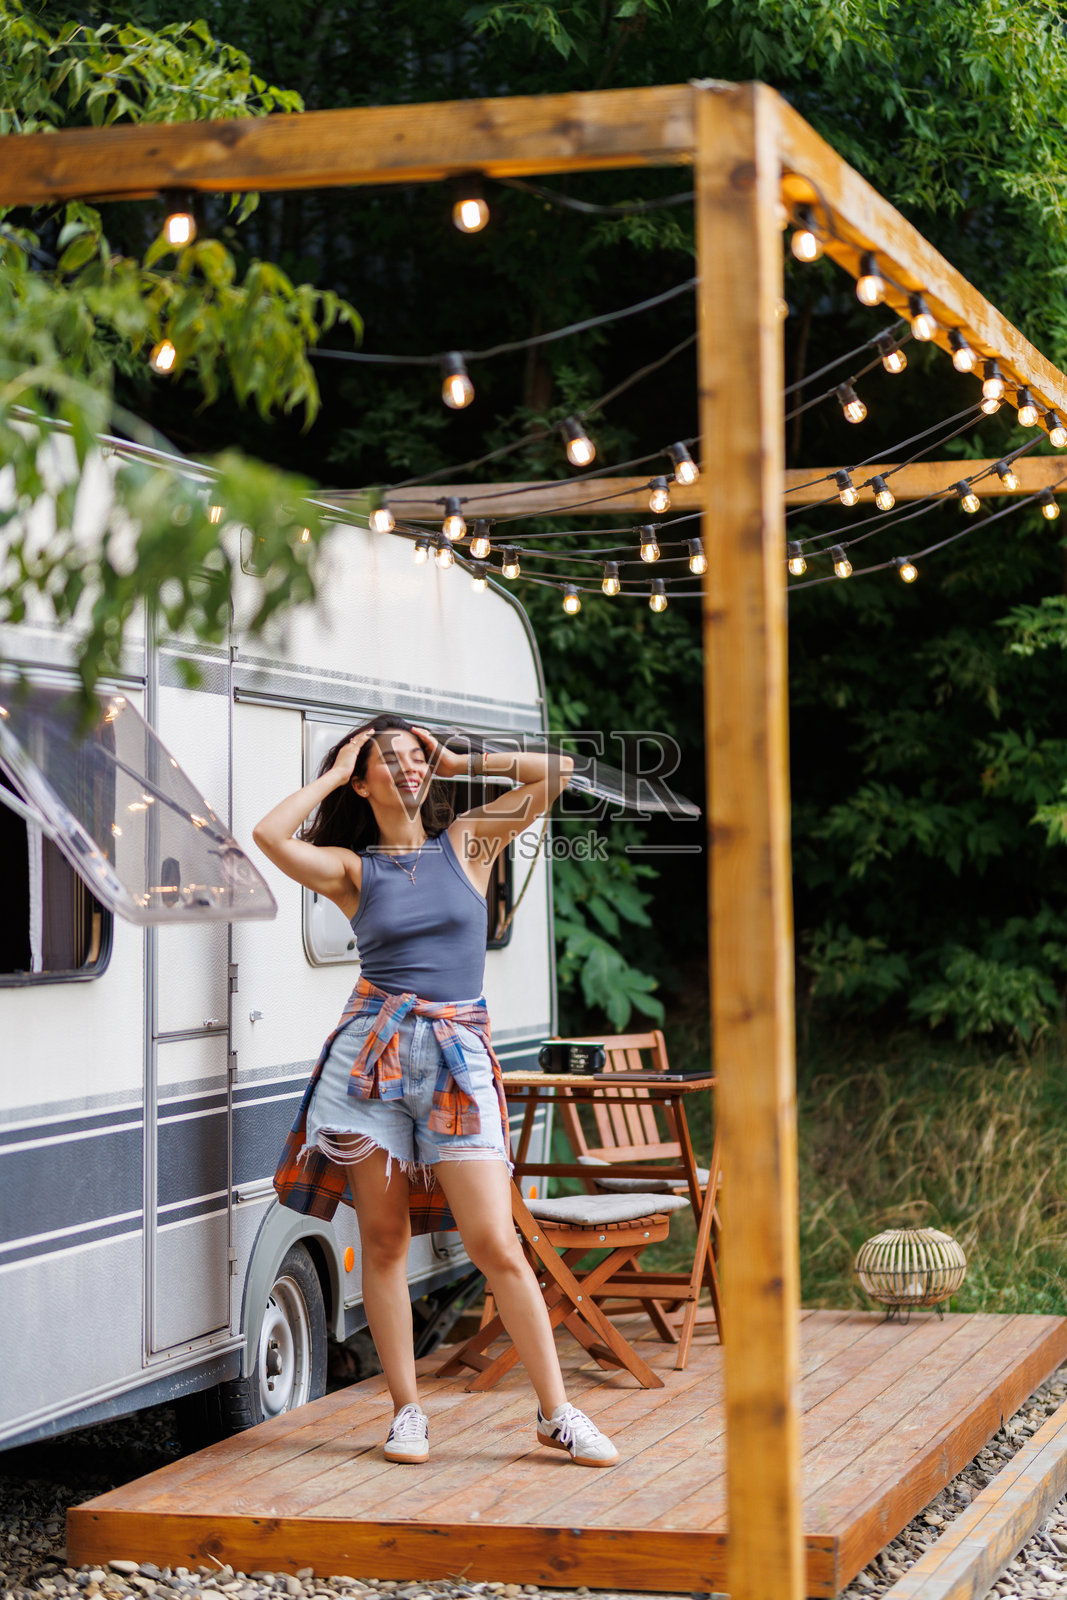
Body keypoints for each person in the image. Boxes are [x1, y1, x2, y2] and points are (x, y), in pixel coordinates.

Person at [254, 715, 618, 1469]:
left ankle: (555, 1413)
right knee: (382, 1242)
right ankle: (405, 1410)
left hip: (455, 1054)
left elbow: (557, 768)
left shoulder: (469, 843)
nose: (408, 767)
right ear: (363, 778)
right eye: (388, 759)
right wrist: (331, 774)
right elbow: (268, 836)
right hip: (374, 1060)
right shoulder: (353, 870)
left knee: (494, 1243)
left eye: (415, 756)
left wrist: (458, 758)